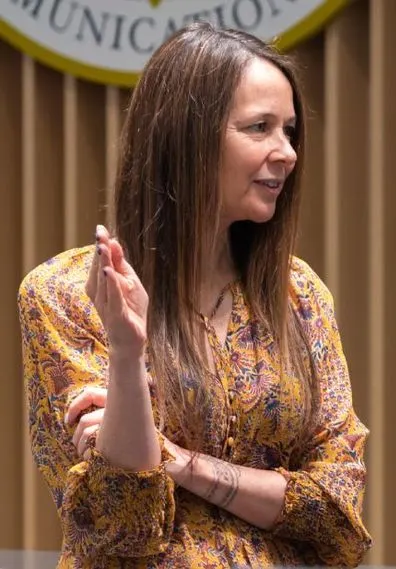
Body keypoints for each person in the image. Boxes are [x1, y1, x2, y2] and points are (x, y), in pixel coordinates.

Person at [18, 21, 372, 568]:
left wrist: (182, 464)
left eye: (290, 131)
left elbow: (336, 506)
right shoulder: (66, 295)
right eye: (260, 128)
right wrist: (128, 354)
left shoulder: (297, 294)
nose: (288, 153)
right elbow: (123, 521)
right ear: (188, 137)